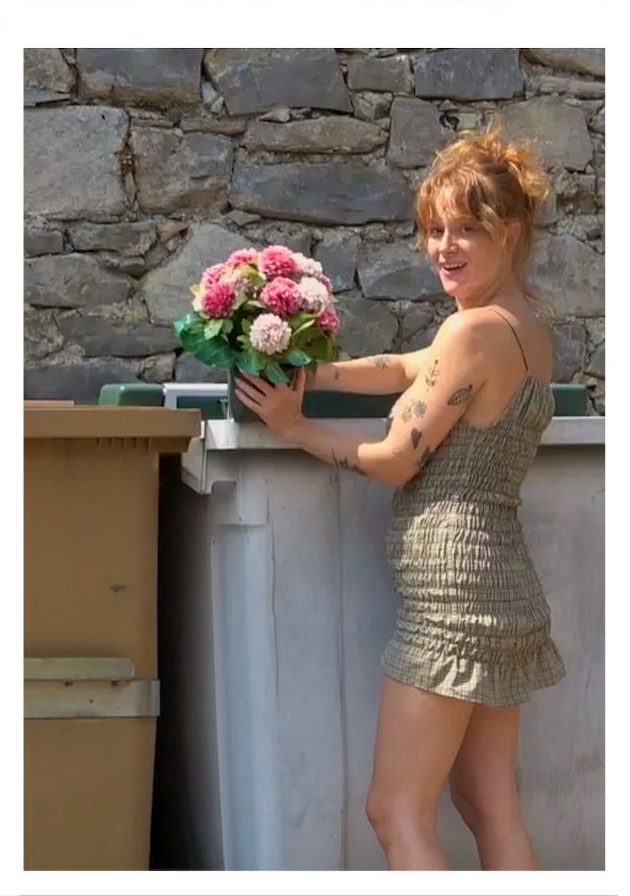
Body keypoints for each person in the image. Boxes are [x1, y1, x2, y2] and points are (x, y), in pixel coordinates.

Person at [237, 130, 562, 870]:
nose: (444, 247)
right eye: (434, 230)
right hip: (503, 582)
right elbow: (410, 366)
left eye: (466, 230)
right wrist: (312, 372)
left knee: (395, 810)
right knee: (490, 806)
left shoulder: (473, 328)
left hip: (453, 594)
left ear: (509, 233)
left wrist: (294, 425)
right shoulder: (526, 328)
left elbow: (392, 460)